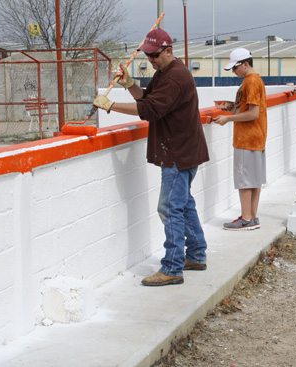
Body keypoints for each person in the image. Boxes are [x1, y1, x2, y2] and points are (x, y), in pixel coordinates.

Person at [93, 28, 210, 287]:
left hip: (179, 153)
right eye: (148, 56)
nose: (151, 61)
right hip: (184, 151)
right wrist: (130, 84)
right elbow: (148, 98)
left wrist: (111, 105)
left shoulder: (176, 77)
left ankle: (172, 267)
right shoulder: (166, 72)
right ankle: (196, 254)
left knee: (168, 208)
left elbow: (150, 110)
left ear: (168, 50)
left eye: (155, 55)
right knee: (183, 204)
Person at [214, 48, 267, 231]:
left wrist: (228, 118)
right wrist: (234, 108)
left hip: (246, 138)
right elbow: (251, 110)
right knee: (254, 180)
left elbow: (253, 113)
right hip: (256, 137)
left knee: (244, 180)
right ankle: (252, 217)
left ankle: (245, 218)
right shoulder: (255, 80)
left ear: (246, 64)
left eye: (235, 67)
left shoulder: (250, 81)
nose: (234, 71)